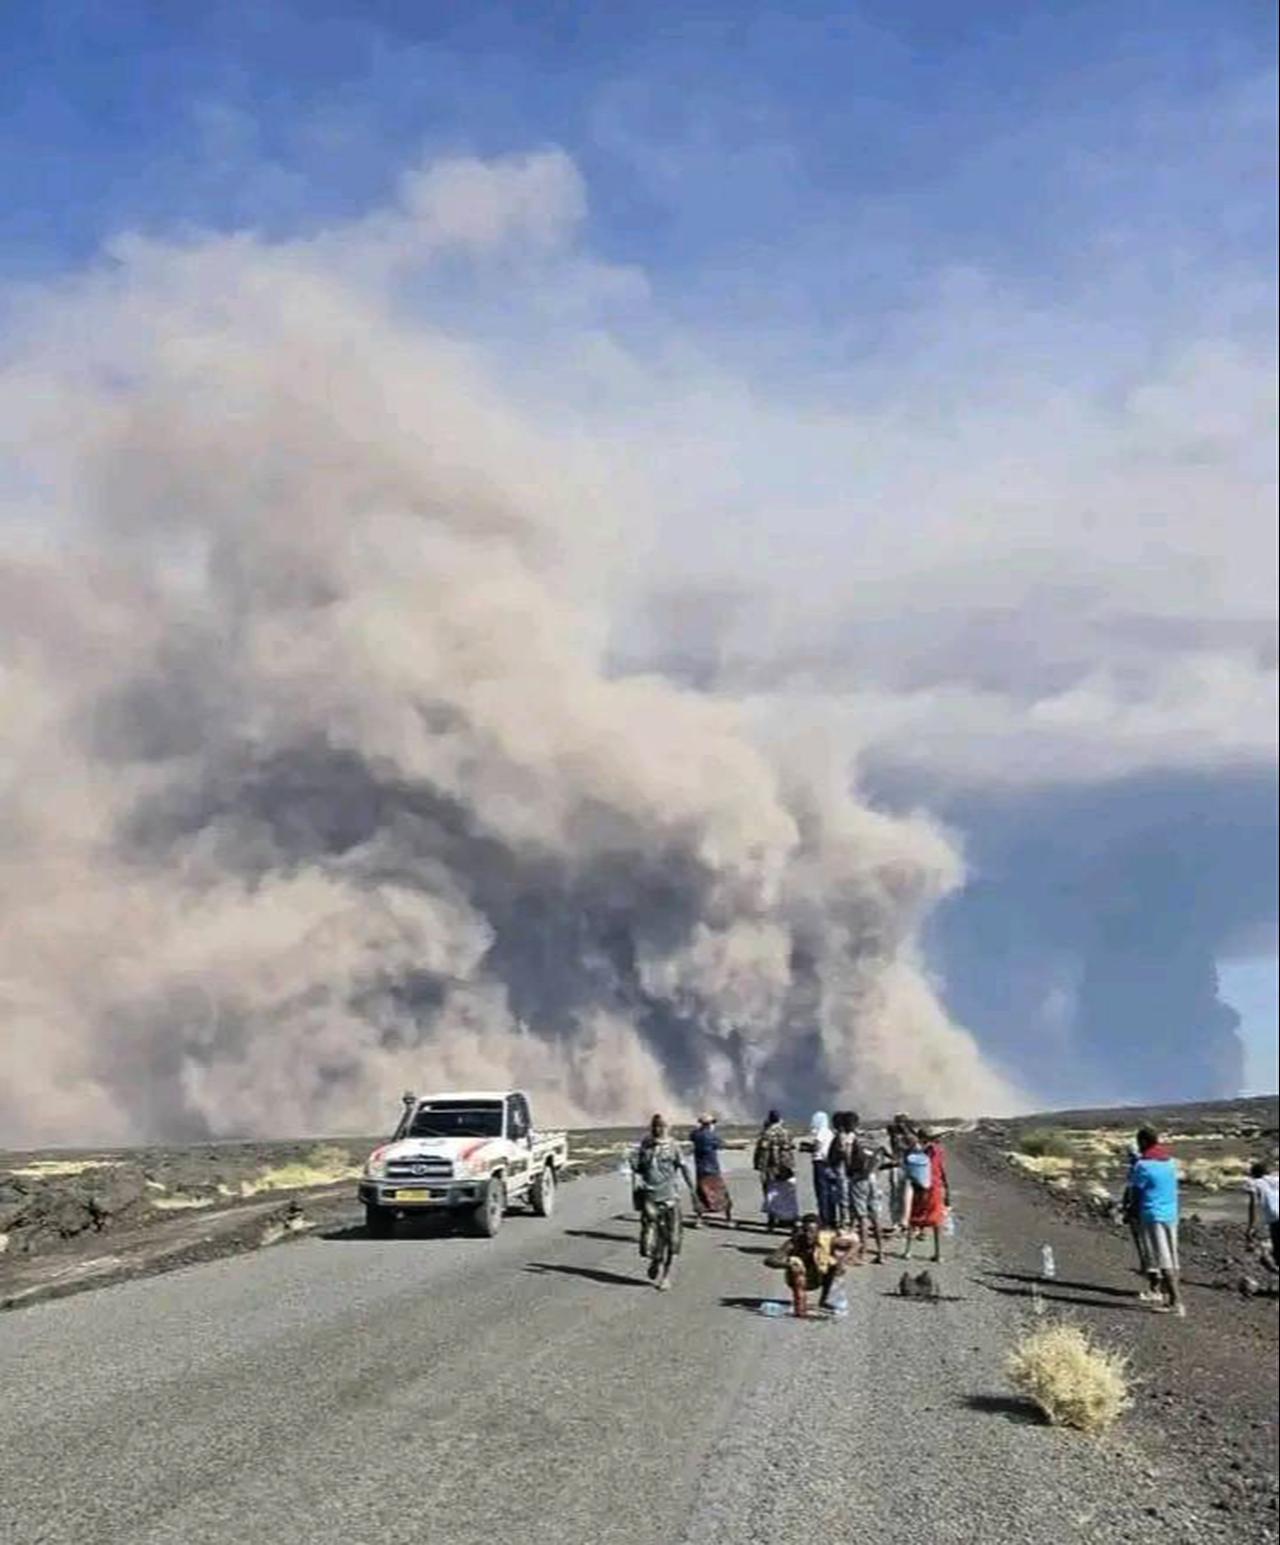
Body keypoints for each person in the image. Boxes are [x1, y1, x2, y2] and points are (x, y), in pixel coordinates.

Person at [631, 1113, 697, 1290]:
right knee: (648, 1242)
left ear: (668, 1128)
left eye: (662, 1126)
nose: (658, 1129)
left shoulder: (674, 1147)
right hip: (650, 1198)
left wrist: (693, 1192)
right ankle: (655, 1260)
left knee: (671, 1239)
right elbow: (638, 1168)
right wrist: (633, 1162)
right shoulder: (646, 1144)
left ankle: (666, 1276)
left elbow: (684, 1169)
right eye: (655, 1126)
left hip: (670, 1198)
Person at [1130, 1126, 1185, 1317]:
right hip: (1171, 1213)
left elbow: (1136, 1193)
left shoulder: (1142, 1165)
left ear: (1144, 1142)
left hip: (1152, 1215)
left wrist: (1131, 1213)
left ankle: (1176, 1302)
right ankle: (1167, 1297)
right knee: (1171, 1256)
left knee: (1162, 1259)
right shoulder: (1170, 1161)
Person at [766, 1212, 856, 1317]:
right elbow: (769, 1260)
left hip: (818, 1275)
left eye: (812, 1231)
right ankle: (800, 1304)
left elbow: (854, 1244)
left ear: (819, 1231)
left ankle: (825, 1300)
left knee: (834, 1266)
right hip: (799, 1277)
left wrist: (842, 1261)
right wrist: (787, 1265)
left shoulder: (827, 1240)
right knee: (795, 1267)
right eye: (805, 1231)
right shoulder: (794, 1242)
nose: (808, 1235)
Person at [902, 1126, 950, 1263]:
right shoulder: (938, 1151)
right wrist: (947, 1189)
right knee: (936, 1220)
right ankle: (938, 1254)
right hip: (935, 1186)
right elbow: (941, 1170)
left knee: (915, 1217)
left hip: (920, 1186)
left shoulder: (918, 1152)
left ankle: (908, 1251)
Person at [845, 1113, 888, 1265]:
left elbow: (848, 1158)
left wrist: (849, 1171)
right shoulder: (868, 1137)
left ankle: (862, 1254)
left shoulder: (850, 1138)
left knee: (862, 1217)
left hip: (859, 1180)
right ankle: (881, 1253)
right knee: (875, 1217)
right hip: (873, 1179)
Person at [754, 1110, 797, 1230]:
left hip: (770, 1167)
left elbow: (761, 1152)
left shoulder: (765, 1133)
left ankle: (772, 1219)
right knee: (786, 1192)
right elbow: (791, 1146)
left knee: (770, 1193)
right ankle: (788, 1217)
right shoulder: (785, 1132)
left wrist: (760, 1167)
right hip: (785, 1167)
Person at [689, 1113, 733, 1225]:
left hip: (700, 1169)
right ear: (710, 1124)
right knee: (722, 1194)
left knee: (701, 1194)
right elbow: (722, 1144)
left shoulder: (696, 1135)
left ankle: (699, 1219)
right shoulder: (712, 1136)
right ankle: (728, 1220)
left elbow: (692, 1136)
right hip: (712, 1169)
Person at [1244, 1158, 1279, 1276]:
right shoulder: (1276, 1179)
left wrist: (1251, 1226)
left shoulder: (1254, 1183)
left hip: (1275, 1218)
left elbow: (1253, 1204)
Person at [802, 1110, 836, 1227]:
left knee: (822, 1192)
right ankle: (831, 1218)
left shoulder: (821, 1132)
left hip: (820, 1162)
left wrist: (806, 1148)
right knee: (829, 1192)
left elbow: (817, 1146)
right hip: (828, 1162)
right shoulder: (830, 1132)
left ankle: (824, 1219)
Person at [885, 1114, 917, 1234]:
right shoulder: (896, 1135)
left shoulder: (907, 1136)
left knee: (904, 1196)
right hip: (899, 1166)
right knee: (898, 1195)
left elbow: (912, 1145)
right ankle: (898, 1222)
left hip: (903, 1166)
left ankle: (903, 1222)